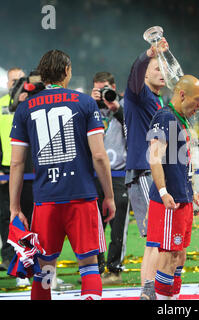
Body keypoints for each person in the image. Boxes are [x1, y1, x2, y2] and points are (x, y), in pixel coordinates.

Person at [9, 49, 115, 300]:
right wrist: (109, 196)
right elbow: (99, 156)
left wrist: (15, 207)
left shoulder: (25, 109)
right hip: (82, 196)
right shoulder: (85, 102)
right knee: (89, 265)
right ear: (67, 71)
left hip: (46, 200)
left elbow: (16, 163)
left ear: (42, 74)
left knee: (44, 269)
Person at [147, 75, 199, 300]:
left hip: (182, 199)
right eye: (197, 101)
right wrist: (164, 192)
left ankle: (172, 299)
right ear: (182, 94)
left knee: (180, 256)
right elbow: (154, 158)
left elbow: (178, 165)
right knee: (168, 255)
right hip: (169, 202)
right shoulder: (164, 117)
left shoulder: (181, 119)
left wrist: (192, 193)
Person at [123, 38, 168, 299]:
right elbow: (134, 73)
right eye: (156, 68)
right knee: (155, 236)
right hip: (143, 170)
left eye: (163, 68)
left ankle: (155, 290)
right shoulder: (138, 95)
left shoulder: (158, 101)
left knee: (160, 236)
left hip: (156, 170)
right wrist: (148, 53)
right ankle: (148, 292)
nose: (161, 73)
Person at [90, 72, 129, 285]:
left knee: (118, 225)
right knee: (94, 224)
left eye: (106, 88)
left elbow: (135, 131)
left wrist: (117, 109)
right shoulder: (88, 108)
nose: (104, 93)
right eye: (99, 89)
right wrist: (90, 102)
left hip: (119, 174)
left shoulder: (124, 106)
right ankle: (96, 269)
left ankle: (114, 270)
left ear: (114, 87)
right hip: (94, 174)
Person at [0, 68, 34, 287]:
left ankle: (30, 264)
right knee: (7, 217)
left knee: (31, 217)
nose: (17, 84)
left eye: (20, 80)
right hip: (5, 169)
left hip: (30, 169)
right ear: (8, 82)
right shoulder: (2, 102)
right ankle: (11, 260)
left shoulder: (33, 102)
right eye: (14, 80)